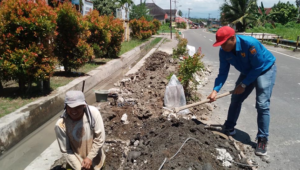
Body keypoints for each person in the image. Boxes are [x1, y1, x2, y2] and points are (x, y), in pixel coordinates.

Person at [207, 26, 276, 156]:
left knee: (262, 104)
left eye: (223, 43)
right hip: (248, 71)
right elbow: (223, 73)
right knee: (236, 98)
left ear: (232, 38)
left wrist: (243, 84)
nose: (222, 47)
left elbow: (258, 67)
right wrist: (215, 90)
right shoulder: (224, 51)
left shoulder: (250, 44)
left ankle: (262, 139)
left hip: (264, 69)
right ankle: (229, 127)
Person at [55, 91, 106, 170]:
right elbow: (66, 150)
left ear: (84, 105)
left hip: (96, 160)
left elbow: (100, 139)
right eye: (70, 107)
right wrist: (79, 168)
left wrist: (90, 157)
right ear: (65, 107)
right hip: (75, 163)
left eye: (77, 107)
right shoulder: (61, 125)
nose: (73, 111)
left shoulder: (93, 114)